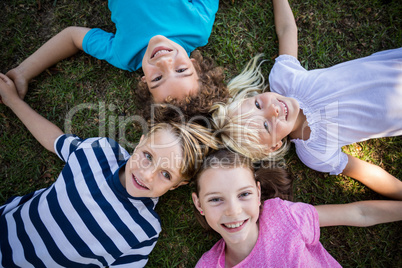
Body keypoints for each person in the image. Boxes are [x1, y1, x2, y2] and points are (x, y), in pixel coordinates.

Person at [0, 73, 218, 267]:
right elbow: (55, 141)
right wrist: (13, 100)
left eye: (166, 174)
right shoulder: (100, 153)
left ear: (177, 185)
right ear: (141, 141)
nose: (146, 174)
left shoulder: (144, 231)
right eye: (148, 156)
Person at [210, 0, 402, 199]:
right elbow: (367, 172)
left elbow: (286, 30)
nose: (273, 110)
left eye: (258, 104)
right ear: (273, 146)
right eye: (266, 126)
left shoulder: (285, 80)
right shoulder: (315, 151)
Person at [5, 0, 228, 119]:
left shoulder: (124, 55)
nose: (164, 62)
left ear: (144, 81)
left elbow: (72, 37)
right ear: (195, 65)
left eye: (158, 78)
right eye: (181, 70)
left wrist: (24, 72)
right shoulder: (198, 27)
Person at [191, 149, 402, 267]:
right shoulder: (208, 265)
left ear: (257, 193)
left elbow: (360, 214)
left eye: (244, 194)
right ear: (199, 204)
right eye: (216, 200)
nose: (233, 211)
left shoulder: (284, 216)